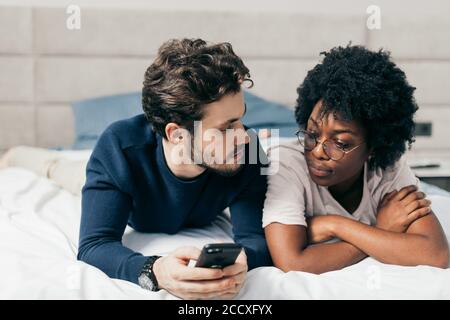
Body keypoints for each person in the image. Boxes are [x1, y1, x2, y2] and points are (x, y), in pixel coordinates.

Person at [76, 38, 272, 299]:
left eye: (241, 119)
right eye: (226, 127)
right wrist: (155, 270)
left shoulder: (249, 151)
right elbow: (94, 245)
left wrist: (241, 261)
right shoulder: (118, 150)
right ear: (177, 135)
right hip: (110, 175)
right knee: (59, 169)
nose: (244, 136)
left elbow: (255, 239)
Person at [263, 45, 449, 273]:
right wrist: (381, 229)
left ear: (373, 147)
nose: (319, 151)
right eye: (312, 135)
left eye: (340, 143)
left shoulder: (388, 171)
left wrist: (336, 226)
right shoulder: (286, 163)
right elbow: (292, 262)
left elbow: (435, 254)